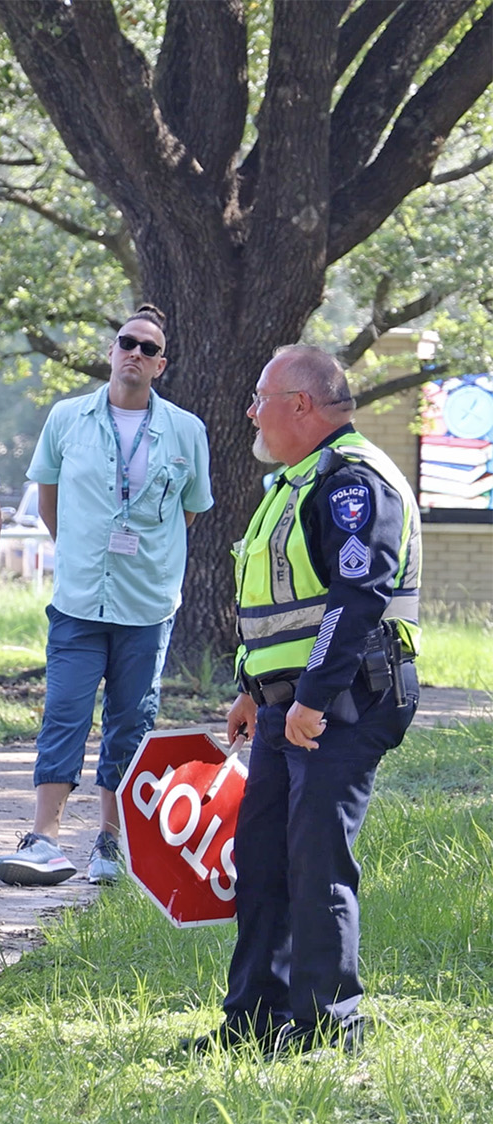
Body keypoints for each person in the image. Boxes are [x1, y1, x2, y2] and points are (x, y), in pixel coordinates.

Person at [200, 345, 421, 1055]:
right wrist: (252, 688)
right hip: (284, 704)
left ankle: (327, 1029)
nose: (251, 410)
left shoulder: (353, 480)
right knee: (263, 859)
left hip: (344, 699)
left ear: (302, 404)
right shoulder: (291, 483)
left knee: (316, 861)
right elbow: (279, 605)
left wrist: (312, 698)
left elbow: (358, 598)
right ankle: (254, 1023)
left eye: (261, 395)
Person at [0, 305, 213, 887]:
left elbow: (189, 512)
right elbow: (48, 498)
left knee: (130, 722)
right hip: (79, 600)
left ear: (160, 365)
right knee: (64, 712)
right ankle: (44, 838)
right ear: (112, 352)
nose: (134, 354)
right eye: (126, 343)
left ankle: (111, 843)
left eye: (147, 348)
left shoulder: (187, 431)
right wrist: (83, 553)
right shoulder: (67, 418)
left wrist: (148, 560)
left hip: (146, 605)